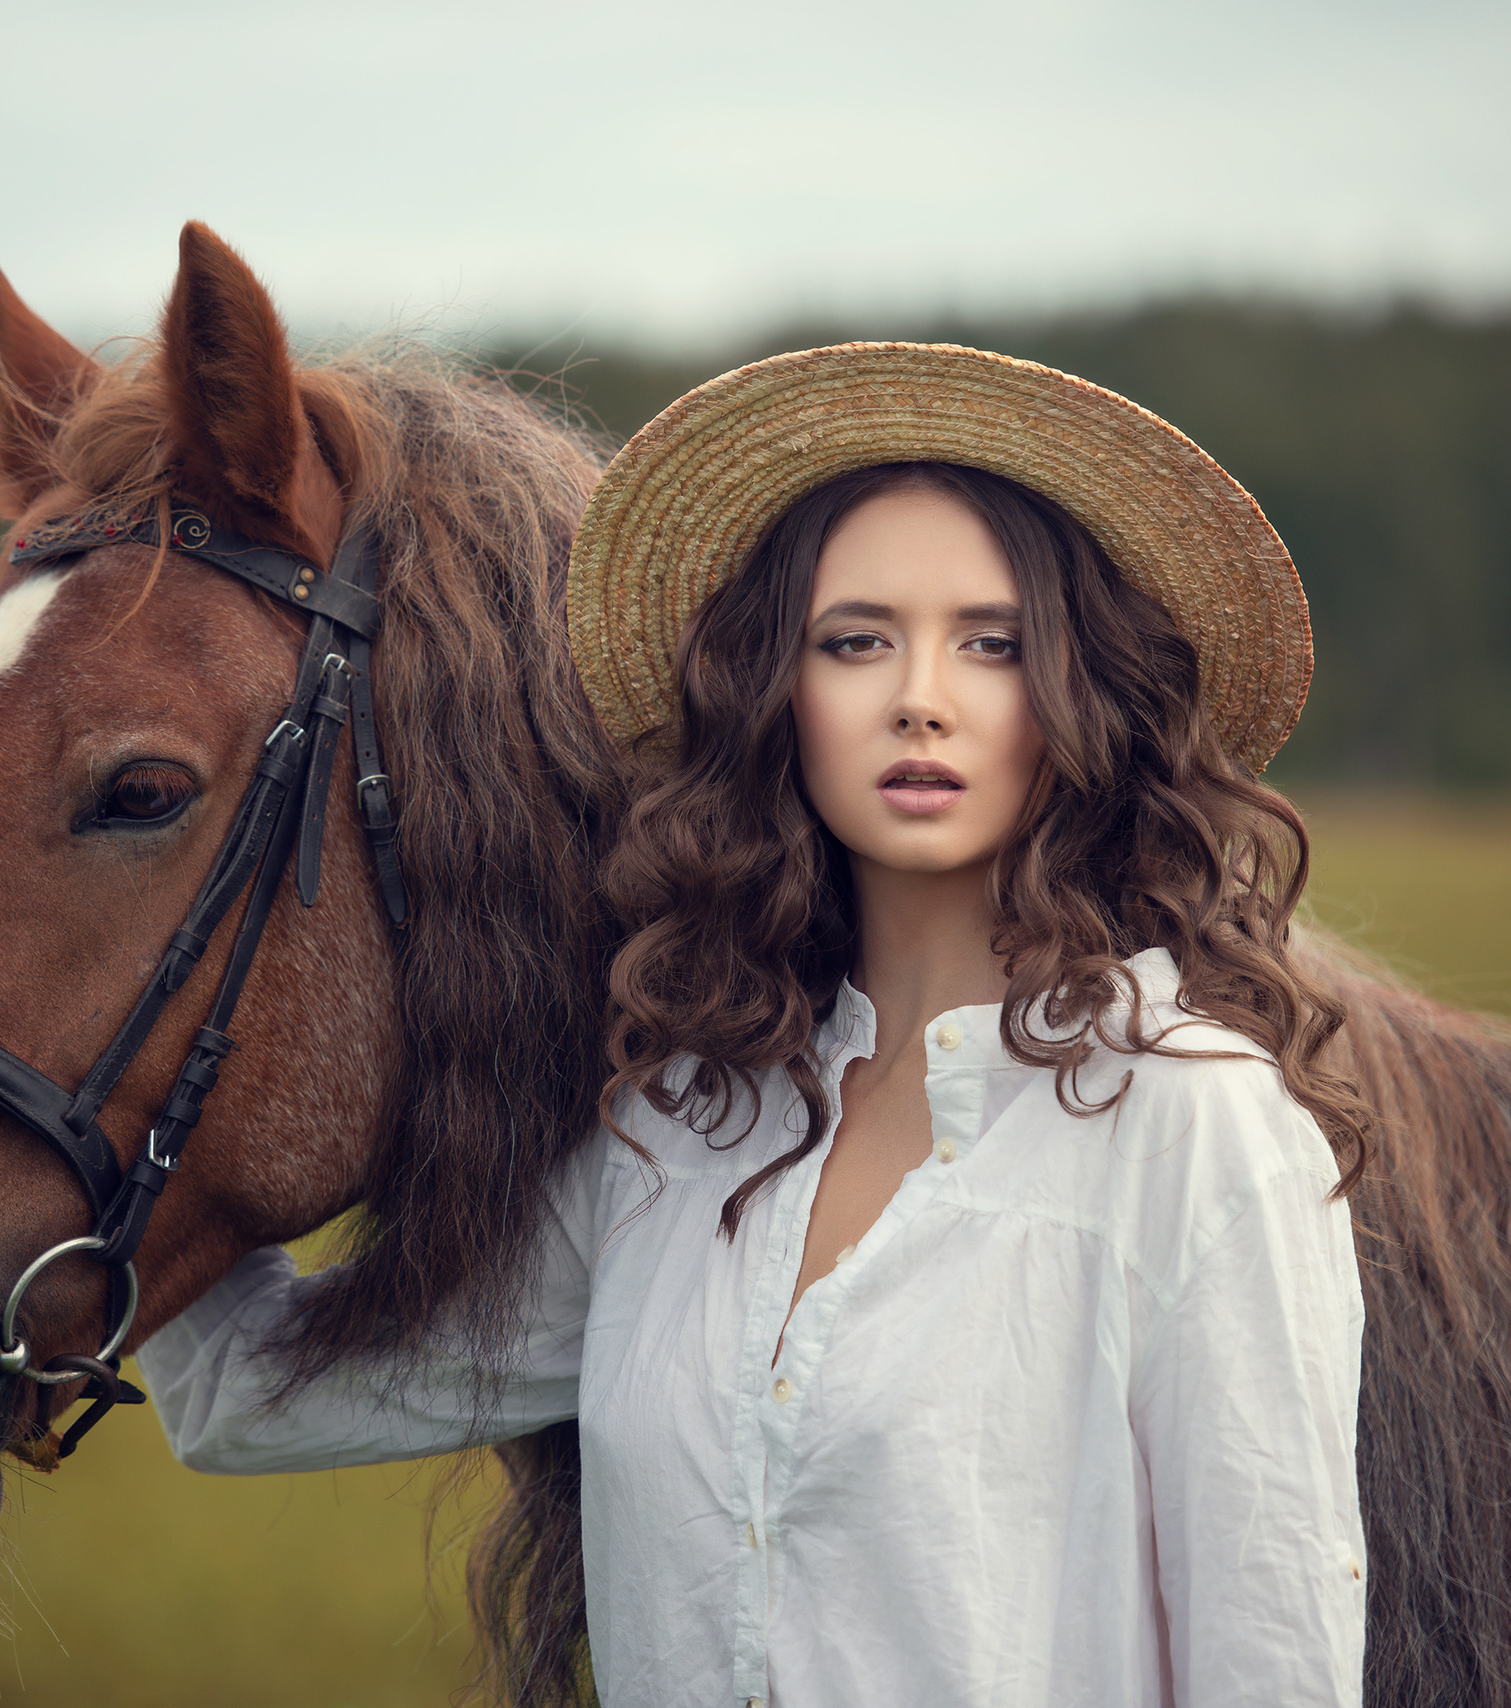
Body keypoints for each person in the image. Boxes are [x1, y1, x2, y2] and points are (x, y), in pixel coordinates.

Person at [137, 343, 1371, 1708]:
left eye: (993, 642)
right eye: (855, 641)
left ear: (1082, 695)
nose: (920, 694)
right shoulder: (680, 1134)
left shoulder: (1197, 1128)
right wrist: (116, 1061)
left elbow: (1276, 1656)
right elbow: (242, 1395)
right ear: (774, 694)